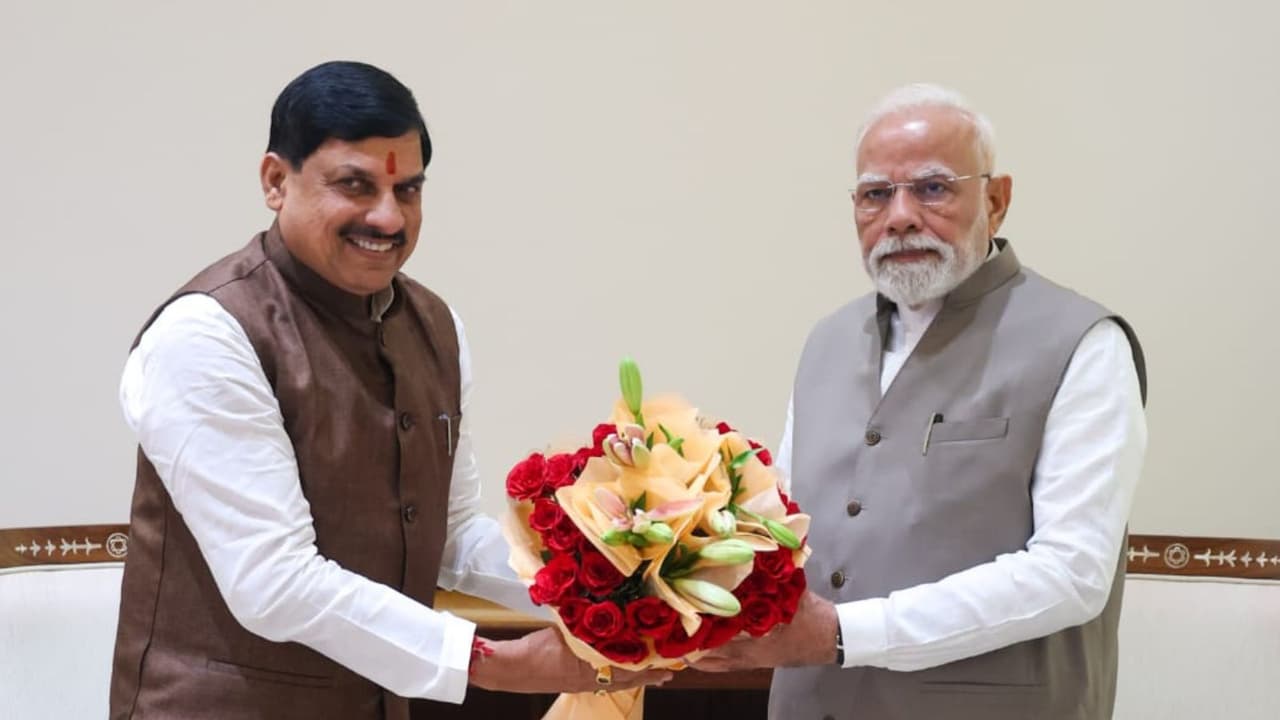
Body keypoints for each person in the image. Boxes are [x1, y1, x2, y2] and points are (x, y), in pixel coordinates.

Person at [108, 60, 669, 720]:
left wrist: (622, 598)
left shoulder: (434, 326)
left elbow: (454, 539)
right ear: (274, 181)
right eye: (355, 185)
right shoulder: (208, 333)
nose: (388, 217)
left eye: (407, 191)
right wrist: (490, 664)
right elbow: (274, 582)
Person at [694, 83, 1148, 719]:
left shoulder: (1083, 343)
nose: (900, 215)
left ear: (997, 199)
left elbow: (1071, 574)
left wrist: (848, 635)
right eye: (876, 194)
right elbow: (787, 534)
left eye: (932, 188)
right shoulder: (826, 341)